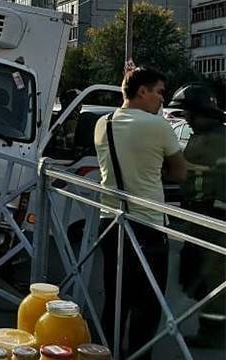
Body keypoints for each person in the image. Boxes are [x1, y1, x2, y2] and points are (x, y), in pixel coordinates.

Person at [93, 67, 187, 358]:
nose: (162, 100)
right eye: (159, 92)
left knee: (116, 299)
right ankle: (137, 355)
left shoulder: (102, 123)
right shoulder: (157, 126)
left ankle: (104, 352)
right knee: (147, 304)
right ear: (142, 91)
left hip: (110, 223)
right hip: (146, 224)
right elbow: (180, 172)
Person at [169, 84, 226, 348]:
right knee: (199, 278)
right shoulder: (201, 135)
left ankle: (213, 333)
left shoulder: (219, 138)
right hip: (197, 216)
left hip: (212, 220)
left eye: (189, 114)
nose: (187, 121)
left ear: (203, 113)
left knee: (214, 278)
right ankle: (210, 328)